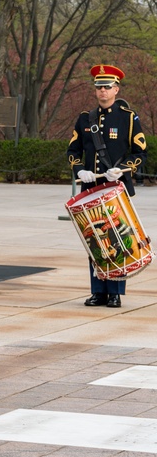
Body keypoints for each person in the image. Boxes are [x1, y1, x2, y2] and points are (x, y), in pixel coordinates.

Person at [67, 64, 146, 309]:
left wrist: (122, 170)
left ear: (116, 89)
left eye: (107, 87)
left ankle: (115, 292)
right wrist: (80, 170)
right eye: (99, 87)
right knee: (94, 239)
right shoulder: (84, 118)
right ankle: (98, 290)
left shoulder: (127, 117)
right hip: (91, 187)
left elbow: (140, 152)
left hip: (117, 187)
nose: (103, 92)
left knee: (117, 238)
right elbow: (73, 150)